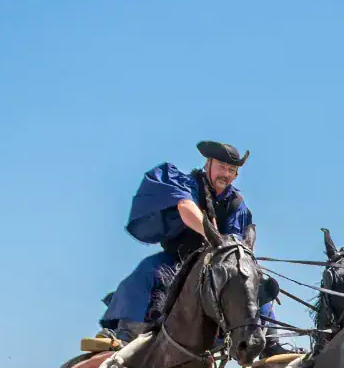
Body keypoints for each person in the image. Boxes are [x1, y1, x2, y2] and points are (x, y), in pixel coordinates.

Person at [91, 141, 261, 348]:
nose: (225, 173)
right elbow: (185, 207)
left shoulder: (236, 205)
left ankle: (269, 345)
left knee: (255, 285)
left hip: (215, 268)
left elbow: (235, 244)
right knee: (145, 273)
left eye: (231, 170)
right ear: (208, 164)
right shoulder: (186, 183)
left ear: (235, 175)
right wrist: (213, 235)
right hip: (176, 261)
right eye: (221, 167)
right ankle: (126, 333)